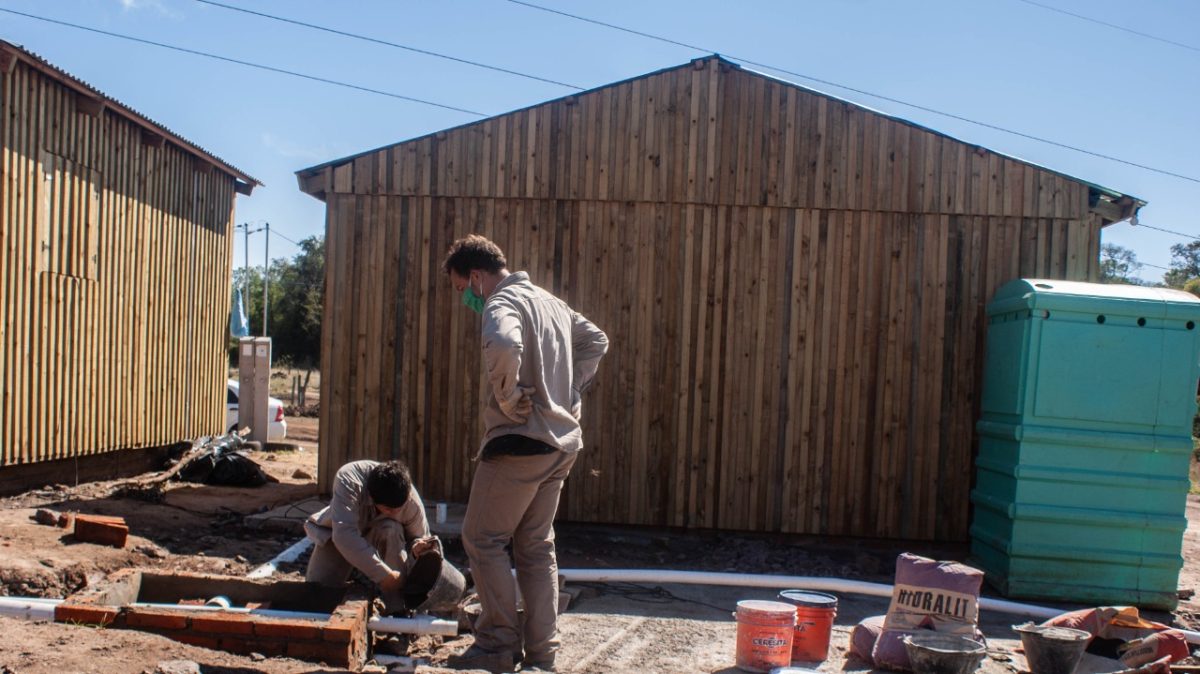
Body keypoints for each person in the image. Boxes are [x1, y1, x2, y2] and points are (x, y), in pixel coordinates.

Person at [442, 234, 608, 673]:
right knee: (535, 547)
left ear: (477, 276)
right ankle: (542, 655)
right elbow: (597, 341)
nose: (465, 299)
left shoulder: (501, 303)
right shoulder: (551, 303)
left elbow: (502, 344)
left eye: (463, 289)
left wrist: (509, 395)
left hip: (520, 442)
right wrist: (570, 392)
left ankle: (496, 644)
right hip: (561, 443)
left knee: (482, 538)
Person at [304, 459, 438, 610]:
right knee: (316, 594)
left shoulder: (411, 502)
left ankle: (397, 609)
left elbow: (421, 540)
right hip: (341, 539)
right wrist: (384, 575)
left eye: (399, 509)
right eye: (388, 509)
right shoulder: (349, 480)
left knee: (391, 528)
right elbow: (344, 535)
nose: (395, 513)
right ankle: (360, 575)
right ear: (372, 498)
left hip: (383, 537)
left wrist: (416, 548)